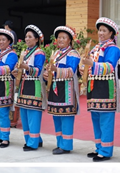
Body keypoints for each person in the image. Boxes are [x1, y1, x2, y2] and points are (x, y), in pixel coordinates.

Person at [82, 17, 120, 162]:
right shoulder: (96, 48)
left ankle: (106, 150)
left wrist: (91, 64)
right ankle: (99, 147)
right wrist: (83, 67)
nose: (101, 33)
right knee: (96, 119)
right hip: (94, 87)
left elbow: (110, 67)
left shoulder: (113, 49)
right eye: (100, 30)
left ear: (111, 33)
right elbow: (88, 66)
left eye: (104, 30)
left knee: (105, 120)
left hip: (106, 88)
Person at [43, 26, 80, 155]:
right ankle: (59, 143)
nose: (61, 40)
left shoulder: (73, 54)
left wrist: (54, 70)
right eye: (59, 37)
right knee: (57, 117)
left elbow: (71, 71)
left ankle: (66, 145)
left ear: (69, 40)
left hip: (67, 90)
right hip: (55, 89)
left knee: (66, 118)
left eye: (64, 37)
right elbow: (50, 70)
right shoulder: (56, 53)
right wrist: (47, 74)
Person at [14, 24, 46, 151]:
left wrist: (25, 67)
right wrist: (17, 72)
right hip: (24, 85)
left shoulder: (39, 53)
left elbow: (38, 71)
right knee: (25, 115)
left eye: (30, 37)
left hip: (34, 86)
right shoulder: (25, 53)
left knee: (33, 115)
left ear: (36, 39)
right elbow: (21, 69)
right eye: (26, 36)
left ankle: (32, 143)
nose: (27, 39)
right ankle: (34, 140)